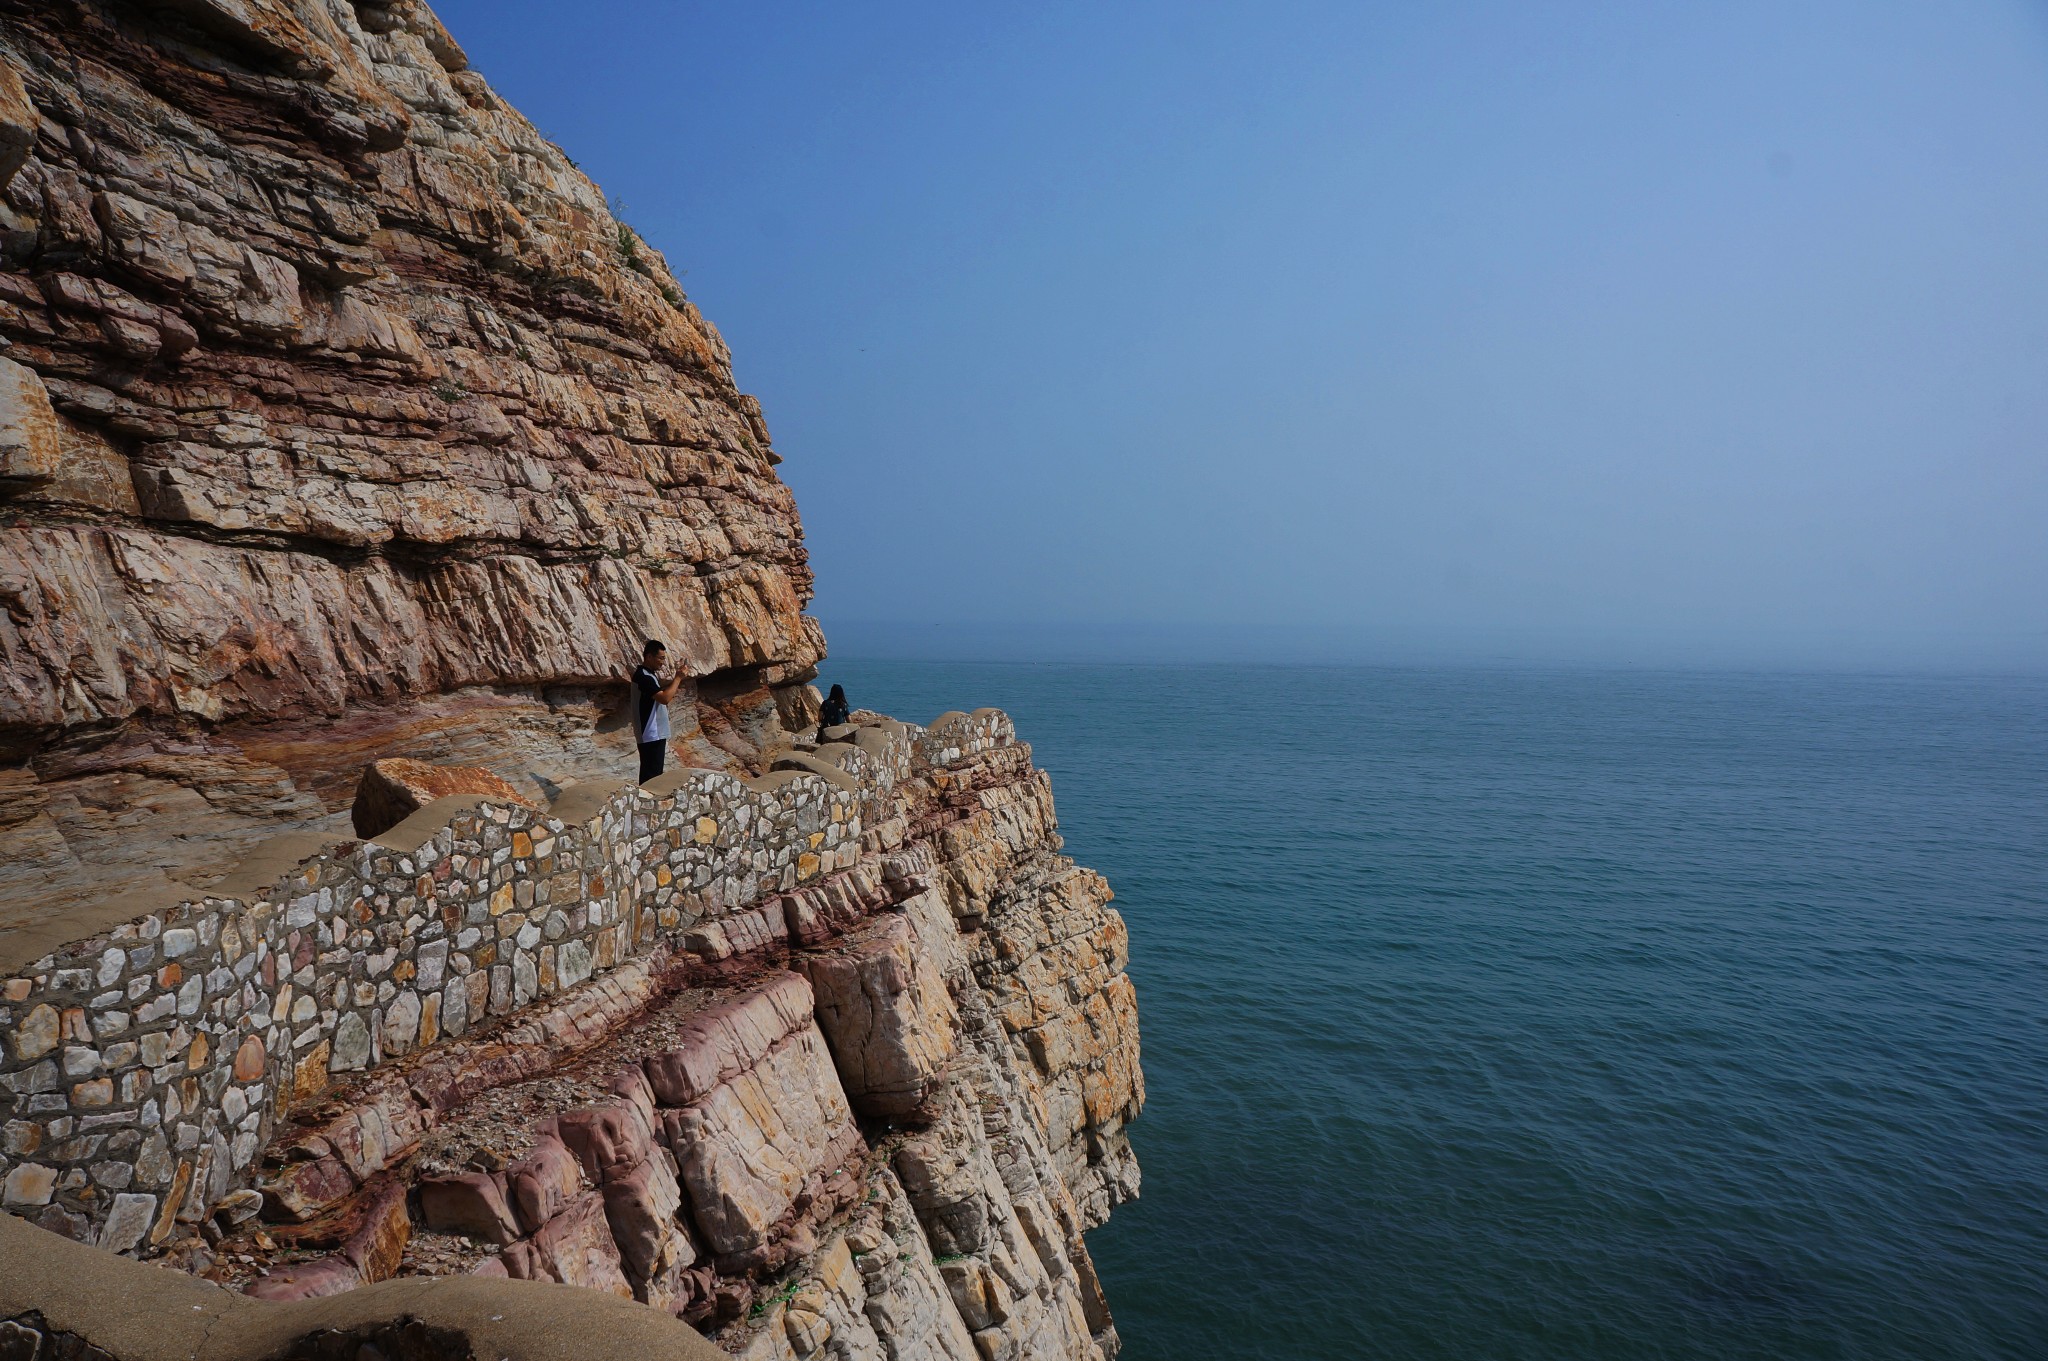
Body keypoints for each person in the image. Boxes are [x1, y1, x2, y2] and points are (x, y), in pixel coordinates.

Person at [633, 639, 685, 783]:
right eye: (660, 658)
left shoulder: (648, 675)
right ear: (649, 657)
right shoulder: (643, 677)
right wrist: (678, 678)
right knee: (651, 777)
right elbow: (664, 698)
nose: (662, 662)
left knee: (654, 774)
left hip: (654, 733)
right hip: (650, 734)